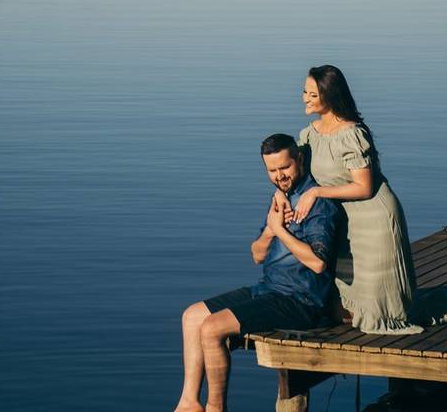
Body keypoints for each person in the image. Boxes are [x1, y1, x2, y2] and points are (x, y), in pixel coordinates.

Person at [174, 134, 341, 412]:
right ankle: (189, 403)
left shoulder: (318, 205)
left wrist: (280, 231)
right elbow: (257, 254)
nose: (279, 177)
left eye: (284, 168)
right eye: (272, 171)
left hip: (302, 301)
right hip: (268, 289)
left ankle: (216, 407)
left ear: (299, 159)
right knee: (192, 317)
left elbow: (318, 263)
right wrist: (269, 228)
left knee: (213, 328)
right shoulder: (281, 198)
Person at [291, 64, 424, 334]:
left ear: (329, 96)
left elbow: (364, 188)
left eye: (312, 94)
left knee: (377, 308)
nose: (305, 98)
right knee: (349, 298)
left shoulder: (352, 134)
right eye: (304, 92)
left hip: (374, 218)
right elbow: (296, 175)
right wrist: (281, 198)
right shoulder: (309, 134)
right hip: (346, 219)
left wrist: (316, 192)